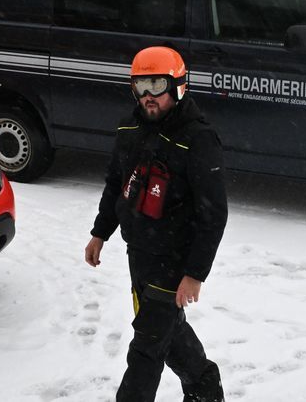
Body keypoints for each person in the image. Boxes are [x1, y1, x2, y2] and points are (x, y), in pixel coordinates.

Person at [85, 46, 228, 402]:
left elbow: (214, 213)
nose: (149, 96)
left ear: (178, 86)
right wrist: (100, 232)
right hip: (140, 253)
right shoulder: (129, 126)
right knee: (166, 331)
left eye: (157, 85)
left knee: (147, 347)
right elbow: (116, 182)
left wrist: (195, 273)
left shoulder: (198, 138)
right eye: (141, 86)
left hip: (175, 259)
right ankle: (205, 389)